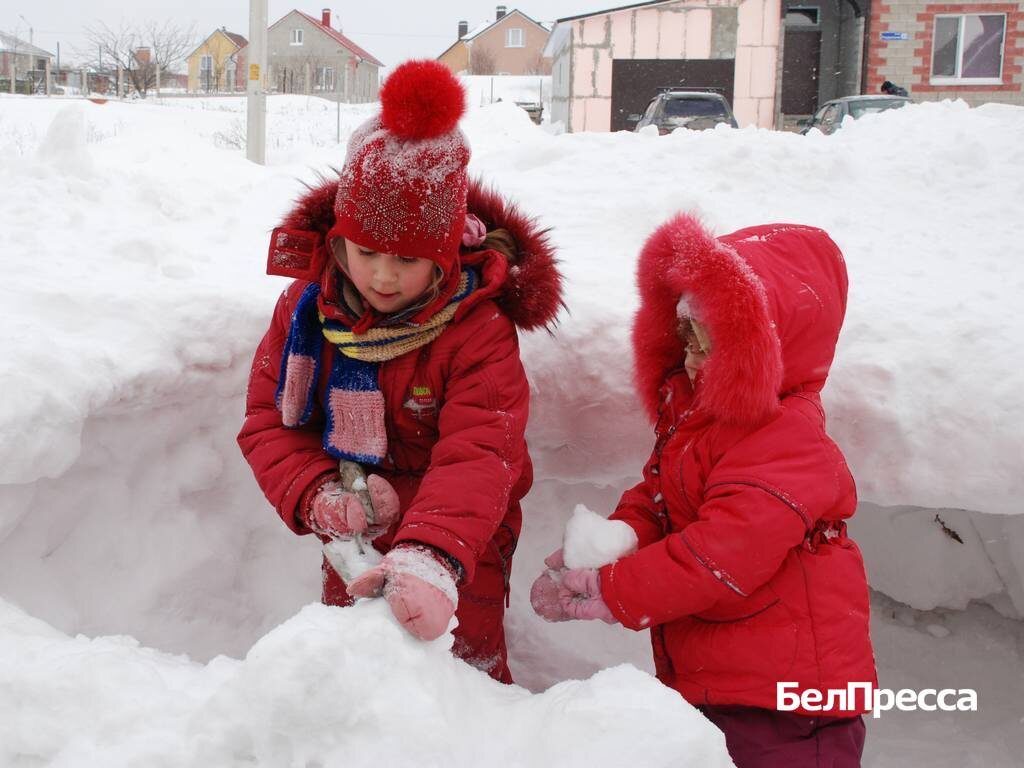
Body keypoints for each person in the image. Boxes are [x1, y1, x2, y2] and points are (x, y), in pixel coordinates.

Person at [238, 60, 563, 683]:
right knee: (356, 677)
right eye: (367, 253)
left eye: (408, 261)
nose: (383, 277)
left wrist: (428, 556)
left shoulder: (477, 330)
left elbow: (482, 455)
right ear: (337, 245)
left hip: (460, 543)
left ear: (444, 256)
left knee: (460, 675)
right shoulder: (305, 313)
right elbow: (267, 420)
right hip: (351, 541)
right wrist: (315, 493)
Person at [531, 214, 877, 766]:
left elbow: (723, 554)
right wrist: (620, 537)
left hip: (790, 700)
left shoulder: (785, 439)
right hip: (727, 682)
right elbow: (661, 494)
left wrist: (614, 589)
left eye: (710, 346)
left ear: (766, 350)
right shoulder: (700, 425)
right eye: (685, 339)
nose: (690, 361)